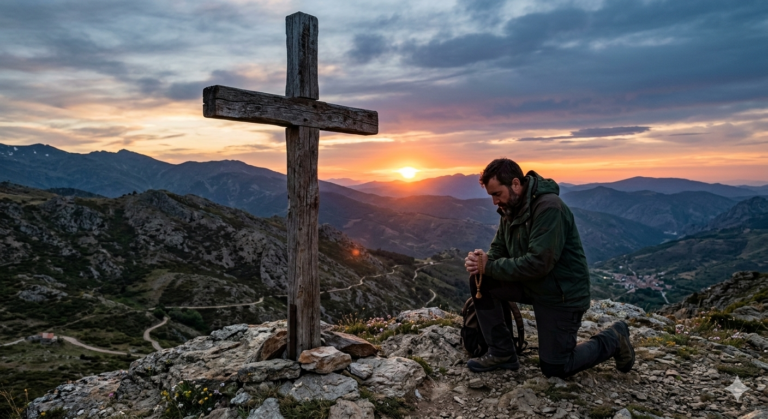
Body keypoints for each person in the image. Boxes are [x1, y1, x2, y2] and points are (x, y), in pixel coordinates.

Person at [463, 158, 634, 378]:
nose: (495, 201)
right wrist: (482, 261)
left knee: (556, 367)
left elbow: (538, 264)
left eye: (497, 194)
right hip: (533, 286)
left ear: (516, 184)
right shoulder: (511, 208)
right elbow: (499, 249)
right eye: (492, 196)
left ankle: (614, 337)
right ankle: (502, 353)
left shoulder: (549, 208)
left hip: (560, 294)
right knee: (481, 279)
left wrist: (490, 266)